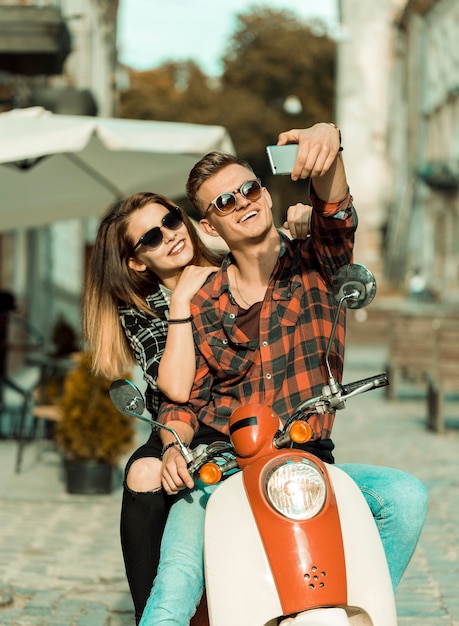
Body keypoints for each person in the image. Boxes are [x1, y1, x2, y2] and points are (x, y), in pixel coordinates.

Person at [140, 122, 428, 625]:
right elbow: (183, 400)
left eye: (249, 188)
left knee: (404, 496)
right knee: (174, 586)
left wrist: (327, 145)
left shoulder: (318, 261)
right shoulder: (205, 300)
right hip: (222, 467)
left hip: (307, 460)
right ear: (209, 227)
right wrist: (172, 445)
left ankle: (360, 601)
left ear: (266, 193)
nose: (244, 202)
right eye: (224, 202)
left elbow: (335, 211)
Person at [83, 191, 312, 624]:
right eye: (151, 238)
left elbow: (270, 244)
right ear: (137, 261)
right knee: (145, 472)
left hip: (253, 421)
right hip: (184, 426)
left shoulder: (232, 270)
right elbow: (176, 389)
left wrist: (299, 223)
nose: (169, 235)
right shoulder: (141, 309)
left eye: (170, 220)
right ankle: (153, 614)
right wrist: (178, 304)